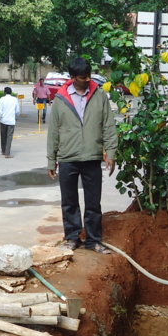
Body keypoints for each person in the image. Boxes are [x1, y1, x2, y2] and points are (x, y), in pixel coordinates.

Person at [46, 57, 117, 254]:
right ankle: (72, 238)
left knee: (93, 203)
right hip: (67, 157)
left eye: (88, 76)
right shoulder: (60, 99)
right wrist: (51, 159)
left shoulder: (99, 96)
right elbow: (53, 131)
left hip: (92, 157)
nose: (87, 80)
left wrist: (111, 152)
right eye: (82, 77)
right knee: (69, 202)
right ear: (72, 77)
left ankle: (93, 240)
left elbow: (108, 125)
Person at [0, 86, 20, 158]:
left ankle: (3, 150)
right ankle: (7, 153)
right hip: (11, 121)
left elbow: (0, 110)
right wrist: (16, 118)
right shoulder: (15, 99)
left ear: (4, 92)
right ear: (11, 92)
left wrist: (0, 118)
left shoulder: (2, 99)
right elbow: (17, 111)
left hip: (3, 120)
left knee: (3, 136)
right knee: (9, 137)